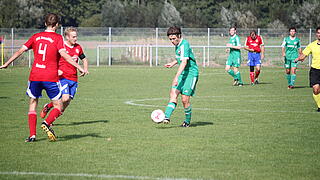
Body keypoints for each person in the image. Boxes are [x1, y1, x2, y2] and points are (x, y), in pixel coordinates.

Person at [0, 13, 85, 142]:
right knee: (58, 106)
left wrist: (6, 63)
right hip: (50, 76)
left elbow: (20, 51)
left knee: (33, 103)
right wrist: (79, 67)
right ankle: (47, 123)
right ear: (57, 25)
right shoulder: (58, 39)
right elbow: (65, 56)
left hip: (35, 76)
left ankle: (32, 135)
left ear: (45, 23)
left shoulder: (36, 37)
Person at [40, 27, 89, 119]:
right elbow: (51, 59)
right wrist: (56, 70)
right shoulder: (61, 47)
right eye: (73, 37)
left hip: (73, 78)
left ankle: (49, 109)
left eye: (76, 36)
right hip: (62, 77)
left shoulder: (78, 47)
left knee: (66, 103)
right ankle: (48, 120)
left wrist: (85, 69)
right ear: (67, 37)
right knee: (65, 98)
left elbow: (84, 59)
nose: (75, 38)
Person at [163, 26, 199, 127]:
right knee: (173, 94)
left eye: (174, 38)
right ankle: (166, 117)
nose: (172, 41)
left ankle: (187, 122)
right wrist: (173, 63)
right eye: (170, 39)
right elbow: (181, 57)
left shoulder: (184, 44)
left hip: (191, 74)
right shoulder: (178, 45)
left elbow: (184, 61)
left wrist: (176, 77)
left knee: (184, 100)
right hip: (183, 73)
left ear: (179, 36)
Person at [295, 27, 320, 112]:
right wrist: (298, 58)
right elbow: (304, 54)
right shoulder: (312, 45)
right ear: (316, 34)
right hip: (315, 71)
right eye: (318, 33)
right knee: (316, 89)